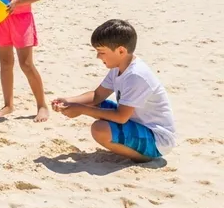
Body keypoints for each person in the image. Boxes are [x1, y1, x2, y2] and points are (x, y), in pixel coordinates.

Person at [52, 19, 176, 161]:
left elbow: (121, 117)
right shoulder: (119, 67)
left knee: (99, 129)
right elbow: (97, 95)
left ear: (121, 51)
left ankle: (144, 157)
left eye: (101, 52)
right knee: (93, 104)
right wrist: (68, 101)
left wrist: (80, 109)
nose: (98, 56)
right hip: (137, 123)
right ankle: (131, 144)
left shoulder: (135, 75)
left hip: (157, 140)